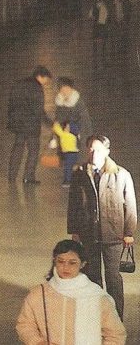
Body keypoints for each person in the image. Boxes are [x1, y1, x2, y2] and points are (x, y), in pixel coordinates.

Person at [67, 135, 136, 319]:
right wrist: (74, 230)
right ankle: (96, 316)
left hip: (113, 234)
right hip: (89, 233)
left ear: (107, 151)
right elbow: (73, 204)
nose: (93, 153)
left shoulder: (121, 174)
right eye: (90, 148)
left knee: (113, 278)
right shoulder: (80, 173)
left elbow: (130, 205)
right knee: (92, 276)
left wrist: (129, 232)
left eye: (97, 149)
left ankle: (116, 317)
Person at [16, 238, 125, 344]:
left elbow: (115, 334)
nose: (65, 267)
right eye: (61, 261)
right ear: (55, 261)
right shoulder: (39, 294)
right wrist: (37, 342)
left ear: (82, 264)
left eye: (72, 263)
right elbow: (25, 324)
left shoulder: (97, 297)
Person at [7, 66, 52, 184]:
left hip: (18, 124)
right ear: (41, 76)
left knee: (18, 148)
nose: (46, 83)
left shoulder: (19, 84)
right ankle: (28, 177)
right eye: (46, 79)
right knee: (33, 151)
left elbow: (11, 103)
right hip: (31, 125)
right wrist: (50, 124)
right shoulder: (37, 89)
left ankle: (12, 176)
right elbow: (39, 110)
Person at [55, 78, 92, 155]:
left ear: (71, 89)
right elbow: (57, 120)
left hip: (78, 139)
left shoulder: (78, 103)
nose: (65, 92)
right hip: (64, 141)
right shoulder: (60, 103)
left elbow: (85, 122)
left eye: (67, 89)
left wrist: (71, 127)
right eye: (62, 90)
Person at [52, 115, 80, 188]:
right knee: (71, 166)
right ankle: (73, 179)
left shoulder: (63, 135)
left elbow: (56, 128)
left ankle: (67, 181)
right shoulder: (74, 135)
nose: (66, 128)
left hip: (68, 153)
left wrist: (56, 122)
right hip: (73, 153)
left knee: (68, 167)